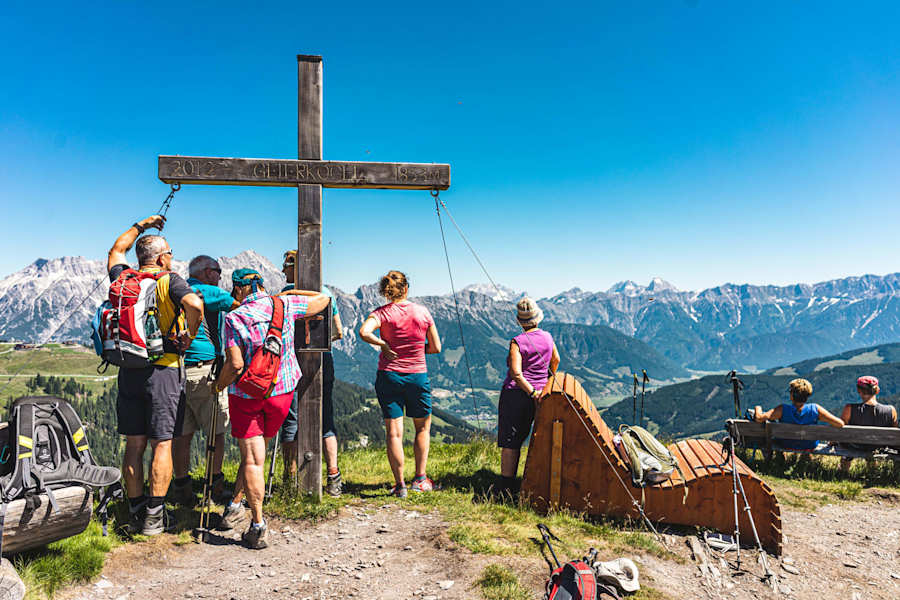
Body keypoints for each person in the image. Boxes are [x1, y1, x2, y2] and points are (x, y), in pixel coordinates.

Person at [213, 269, 329, 549]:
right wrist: (289, 294)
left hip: (248, 395)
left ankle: (257, 524)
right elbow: (324, 299)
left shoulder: (233, 317)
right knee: (258, 454)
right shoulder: (284, 304)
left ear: (239, 290)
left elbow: (236, 365)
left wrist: (218, 385)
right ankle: (235, 505)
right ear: (262, 285)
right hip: (282, 392)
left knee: (253, 459)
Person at [107, 215, 203, 535]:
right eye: (171, 253)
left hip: (129, 369)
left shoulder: (123, 278)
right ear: (162, 257)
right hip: (163, 370)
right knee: (162, 444)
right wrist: (190, 333)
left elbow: (116, 249)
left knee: (134, 444)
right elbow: (194, 304)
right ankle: (154, 517)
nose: (173, 257)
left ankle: (134, 511)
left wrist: (142, 225)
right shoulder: (169, 280)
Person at [358, 271, 441, 498]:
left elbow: (363, 332)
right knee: (422, 429)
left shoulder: (382, 314)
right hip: (417, 376)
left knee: (394, 433)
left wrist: (383, 344)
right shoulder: (422, 312)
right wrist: (416, 349)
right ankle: (421, 480)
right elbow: (436, 348)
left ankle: (399, 485)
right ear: (406, 288)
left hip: (389, 376)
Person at [171, 255, 239, 506]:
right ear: (206, 272)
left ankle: (182, 488)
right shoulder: (208, 291)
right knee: (216, 432)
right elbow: (240, 306)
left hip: (175, 371)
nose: (220, 276)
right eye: (217, 270)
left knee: (181, 435)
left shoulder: (178, 290)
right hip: (204, 370)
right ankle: (215, 486)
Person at [278, 250, 345, 496]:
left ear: (295, 267)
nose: (283, 270)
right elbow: (338, 331)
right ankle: (333, 476)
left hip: (290, 361)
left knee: (290, 420)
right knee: (326, 418)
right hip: (321, 360)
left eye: (286, 266)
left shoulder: (284, 296)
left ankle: (290, 477)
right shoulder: (326, 294)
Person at [497, 297, 560, 497]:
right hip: (543, 394)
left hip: (516, 394)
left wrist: (530, 391)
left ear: (520, 321)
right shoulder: (548, 337)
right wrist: (545, 381)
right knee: (538, 437)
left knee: (511, 440)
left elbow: (516, 373)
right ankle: (536, 481)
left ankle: (507, 486)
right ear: (537, 318)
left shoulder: (517, 341)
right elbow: (556, 359)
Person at [752, 378, 843, 450]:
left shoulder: (782, 409)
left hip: (786, 444)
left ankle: (780, 458)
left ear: (792, 396)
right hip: (809, 445)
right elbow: (840, 423)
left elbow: (759, 418)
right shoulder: (815, 409)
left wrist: (758, 408)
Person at [839, 376, 898, 471]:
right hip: (879, 446)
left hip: (855, 446)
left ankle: (843, 471)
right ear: (877, 390)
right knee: (872, 446)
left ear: (859, 390)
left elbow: (840, 432)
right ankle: (872, 472)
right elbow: (894, 434)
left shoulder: (849, 409)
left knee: (846, 444)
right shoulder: (891, 410)